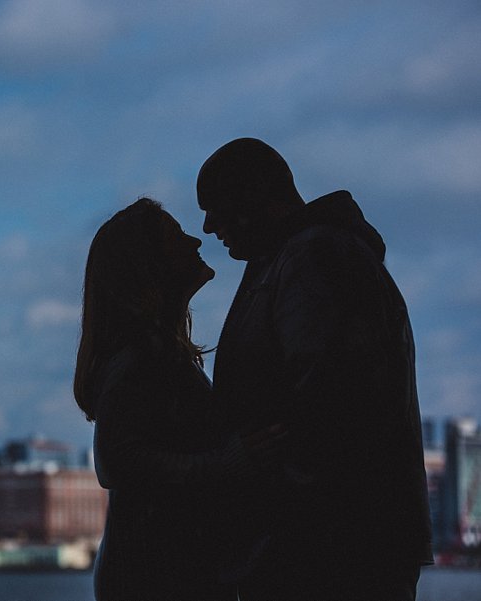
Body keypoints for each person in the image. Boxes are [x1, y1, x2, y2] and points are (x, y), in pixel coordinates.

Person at [196, 138, 434, 601]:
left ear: (253, 196)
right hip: (326, 545)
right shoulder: (303, 257)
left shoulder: (312, 257)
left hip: (322, 551)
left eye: (215, 206)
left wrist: (268, 515)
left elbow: (329, 406)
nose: (207, 226)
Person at [74, 198, 284, 601]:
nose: (196, 241)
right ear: (148, 265)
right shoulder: (141, 357)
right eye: (176, 236)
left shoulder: (155, 354)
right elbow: (115, 461)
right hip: (157, 579)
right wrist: (227, 461)